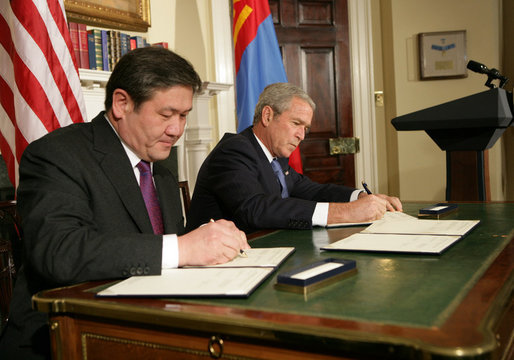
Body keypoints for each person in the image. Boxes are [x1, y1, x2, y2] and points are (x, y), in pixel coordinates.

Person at [0, 47, 249, 359]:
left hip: (144, 329)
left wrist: (214, 248)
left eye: (184, 116)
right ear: (122, 103)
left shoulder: (162, 173)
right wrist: (184, 247)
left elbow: (167, 260)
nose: (177, 130)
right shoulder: (57, 155)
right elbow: (59, 251)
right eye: (166, 114)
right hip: (62, 340)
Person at [186, 82, 402, 234]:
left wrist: (360, 197)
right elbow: (256, 210)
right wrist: (346, 212)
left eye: (305, 128)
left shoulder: (275, 155)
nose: (302, 135)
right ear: (268, 115)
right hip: (218, 267)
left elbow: (310, 190)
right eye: (296, 124)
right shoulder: (234, 151)